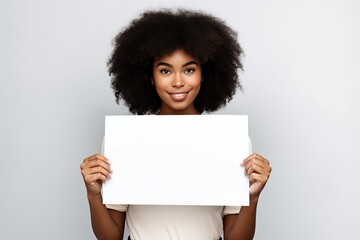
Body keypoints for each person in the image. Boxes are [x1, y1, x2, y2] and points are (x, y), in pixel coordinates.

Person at [80, 9, 272, 240]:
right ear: (150, 76)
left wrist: (252, 198)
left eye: (189, 70)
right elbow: (111, 237)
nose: (178, 82)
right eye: (165, 71)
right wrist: (93, 194)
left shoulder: (229, 141)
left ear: (204, 74)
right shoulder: (125, 140)